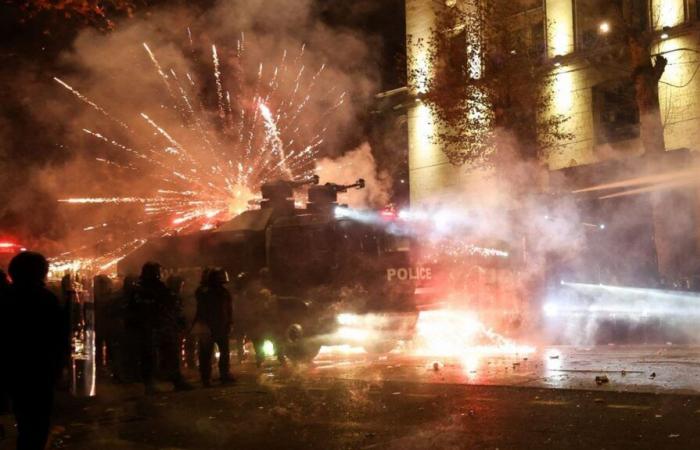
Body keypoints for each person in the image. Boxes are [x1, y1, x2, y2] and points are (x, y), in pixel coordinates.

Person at [1, 252, 70, 450]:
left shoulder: (5, 297)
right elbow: (57, 336)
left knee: (23, 419)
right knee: (37, 423)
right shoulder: (45, 299)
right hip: (39, 370)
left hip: (13, 369)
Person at [126, 262, 192, 393]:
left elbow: (171, 306)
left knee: (167, 354)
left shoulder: (153, 289)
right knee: (151, 356)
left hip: (160, 326)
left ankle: (173, 380)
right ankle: (153, 384)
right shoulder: (142, 290)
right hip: (150, 327)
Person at [194, 268, 235, 386]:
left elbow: (228, 309)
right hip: (208, 327)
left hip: (221, 326)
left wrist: (230, 322)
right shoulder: (204, 292)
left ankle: (224, 374)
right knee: (206, 354)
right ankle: (206, 378)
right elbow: (201, 309)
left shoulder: (224, 292)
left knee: (223, 352)